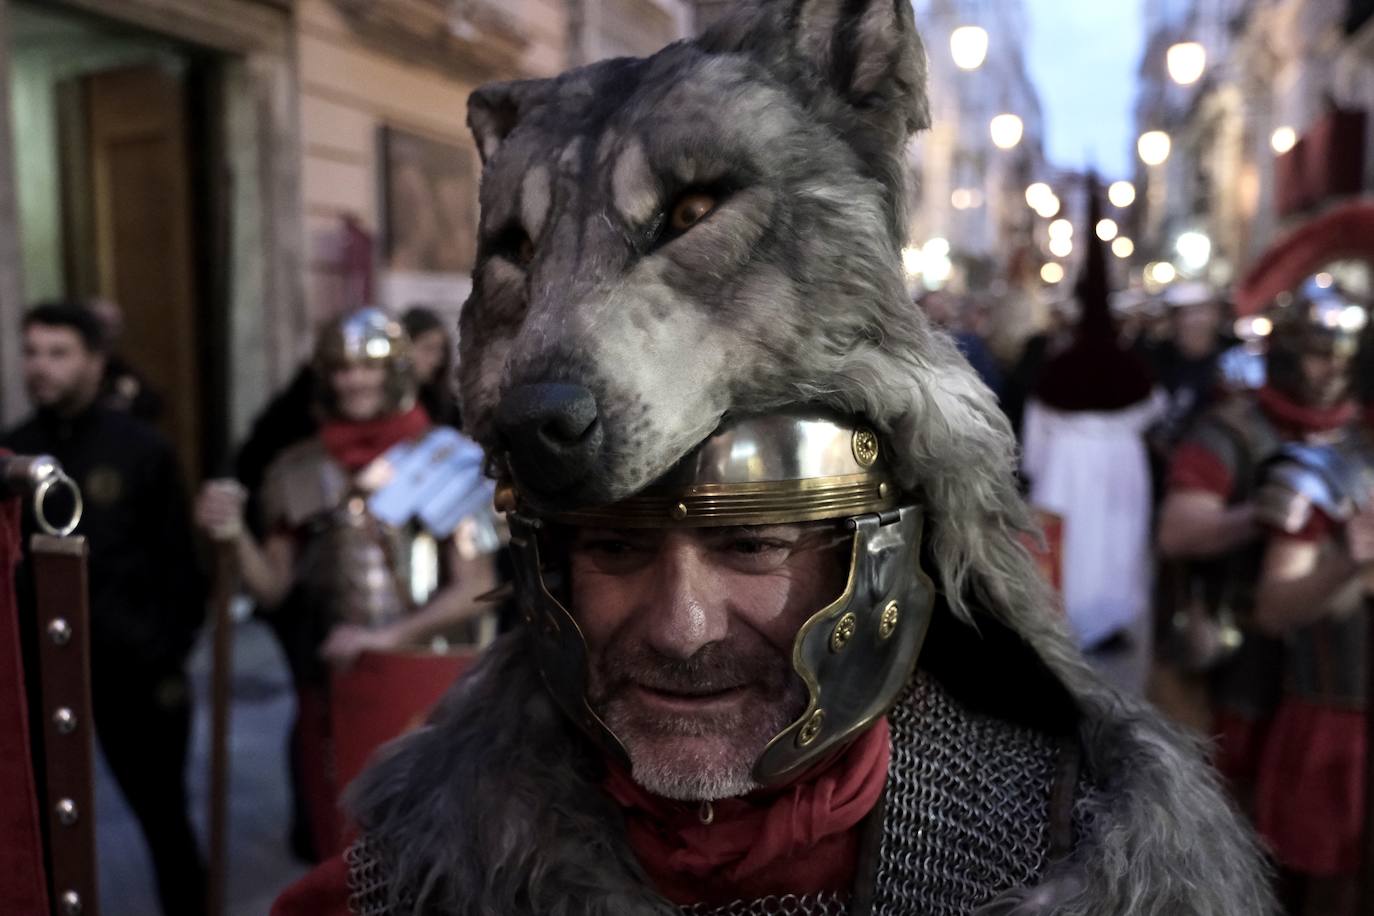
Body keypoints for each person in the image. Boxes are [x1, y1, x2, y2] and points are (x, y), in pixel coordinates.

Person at [274, 3, 1269, 912]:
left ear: (891, 543)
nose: (682, 626)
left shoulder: (1072, 854)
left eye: (752, 542)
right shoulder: (406, 885)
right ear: (548, 560)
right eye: (616, 548)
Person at [196, 307, 499, 859]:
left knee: (436, 846)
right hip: (335, 681)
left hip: (428, 682)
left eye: (367, 367)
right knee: (346, 845)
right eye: (341, 369)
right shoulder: (299, 468)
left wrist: (383, 638)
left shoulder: (452, 460)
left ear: (397, 373)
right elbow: (272, 589)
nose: (353, 381)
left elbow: (475, 590)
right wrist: (233, 533)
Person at [1, 302, 206, 916]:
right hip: (39, 670)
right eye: (32, 352)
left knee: (163, 818)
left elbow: (182, 570)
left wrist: (158, 648)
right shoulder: (15, 455)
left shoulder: (142, 450)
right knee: (39, 821)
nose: (41, 367)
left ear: (95, 361)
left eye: (58, 353)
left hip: (134, 670)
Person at [1156, 277, 1361, 807]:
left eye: (1342, 355)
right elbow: (1177, 531)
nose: (1331, 370)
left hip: (1329, 668)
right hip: (1238, 659)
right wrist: (1258, 514)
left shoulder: (1355, 436)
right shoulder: (1233, 431)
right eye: (1317, 355)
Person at [1246, 289, 1372, 916]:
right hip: (1333, 723)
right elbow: (1273, 607)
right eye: (1317, 354)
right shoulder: (1318, 474)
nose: (1327, 370)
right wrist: (1351, 562)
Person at [1021, 180, 1162, 696]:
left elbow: (1034, 432)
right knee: (1113, 544)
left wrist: (1037, 468)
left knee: (1081, 545)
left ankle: (1072, 623)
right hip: (1120, 465)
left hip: (1065, 464)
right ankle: (1101, 619)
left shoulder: (1057, 368)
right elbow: (1151, 412)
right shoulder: (1134, 368)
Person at [86, 297, 165, 422]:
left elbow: (152, 402)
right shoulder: (75, 364)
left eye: (115, 325)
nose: (110, 333)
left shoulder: (118, 366)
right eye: (103, 324)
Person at [400, 306, 462, 429]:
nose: (436, 360)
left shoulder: (450, 409)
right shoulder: (387, 403)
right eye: (427, 349)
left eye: (440, 350)